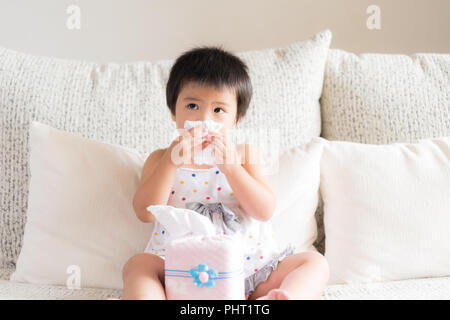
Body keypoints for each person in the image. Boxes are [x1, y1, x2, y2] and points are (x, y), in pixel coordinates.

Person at [121, 46, 329, 300]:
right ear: (174, 112)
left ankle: (278, 297)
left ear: (235, 120)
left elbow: (264, 210)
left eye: (219, 110)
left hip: (247, 270)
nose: (205, 118)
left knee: (314, 263)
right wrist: (171, 162)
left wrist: (232, 168)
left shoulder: (245, 155)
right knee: (138, 265)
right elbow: (144, 211)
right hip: (181, 270)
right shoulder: (160, 157)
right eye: (192, 106)